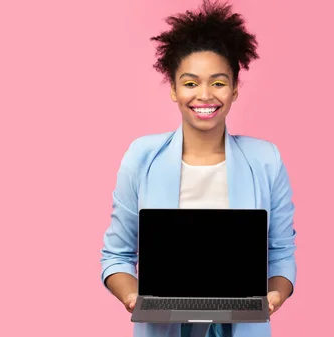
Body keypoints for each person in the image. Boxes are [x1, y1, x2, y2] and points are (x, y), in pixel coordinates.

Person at [100, 1, 297, 336]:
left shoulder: (266, 160)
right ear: (174, 90)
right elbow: (115, 256)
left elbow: (281, 252)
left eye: (218, 83)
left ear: (235, 89)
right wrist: (133, 297)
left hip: (240, 325)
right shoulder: (141, 157)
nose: (204, 95)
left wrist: (276, 293)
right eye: (190, 83)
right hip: (164, 325)